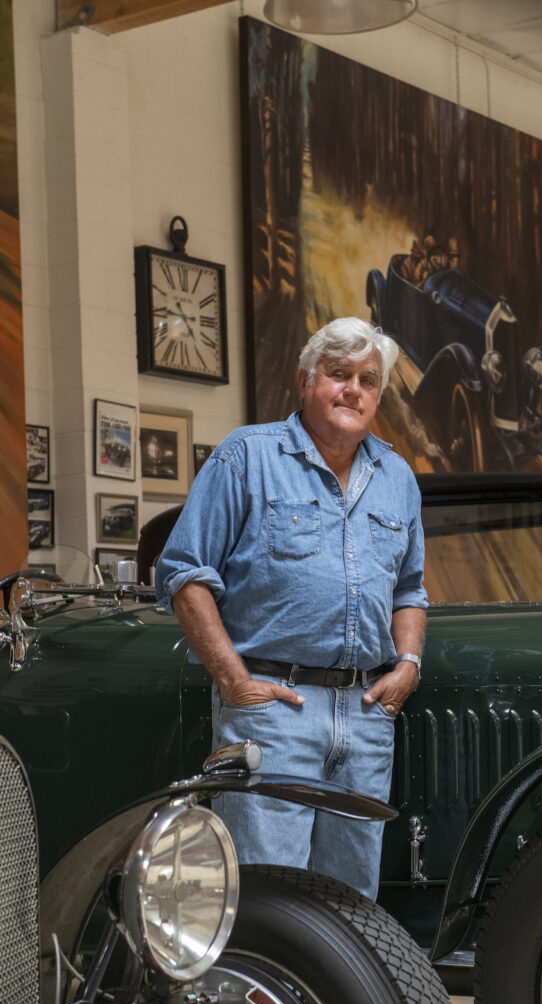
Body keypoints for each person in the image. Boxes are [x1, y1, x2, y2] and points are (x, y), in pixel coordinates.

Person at [155, 316, 427, 900]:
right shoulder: (246, 457)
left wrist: (408, 664)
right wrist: (234, 681)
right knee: (265, 898)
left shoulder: (398, 477)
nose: (353, 389)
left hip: (366, 714)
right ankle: (255, 996)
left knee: (351, 908)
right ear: (306, 381)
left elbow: (409, 589)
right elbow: (183, 573)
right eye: (338, 374)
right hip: (273, 711)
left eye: (369, 380)